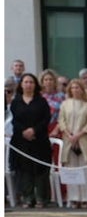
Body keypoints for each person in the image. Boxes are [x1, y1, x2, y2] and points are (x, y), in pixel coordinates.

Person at [9, 72, 53, 208]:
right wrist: (24, 131)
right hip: (21, 140)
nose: (28, 85)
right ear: (21, 85)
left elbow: (46, 119)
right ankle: (28, 197)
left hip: (39, 140)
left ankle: (41, 198)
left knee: (40, 169)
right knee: (24, 170)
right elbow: (14, 120)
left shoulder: (41, 101)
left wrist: (33, 130)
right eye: (26, 82)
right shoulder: (16, 102)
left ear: (35, 85)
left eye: (31, 82)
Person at [57, 78, 87, 208]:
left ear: (82, 90)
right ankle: (74, 197)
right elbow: (61, 120)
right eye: (73, 88)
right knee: (72, 170)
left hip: (84, 140)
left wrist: (79, 134)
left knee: (85, 170)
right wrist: (69, 134)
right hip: (68, 140)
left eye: (78, 88)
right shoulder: (65, 104)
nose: (75, 90)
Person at [40, 69, 64, 135]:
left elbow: (64, 116)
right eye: (46, 80)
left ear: (55, 81)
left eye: (51, 79)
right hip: (40, 128)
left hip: (57, 128)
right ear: (42, 82)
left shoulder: (61, 96)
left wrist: (56, 129)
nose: (48, 82)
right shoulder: (38, 96)